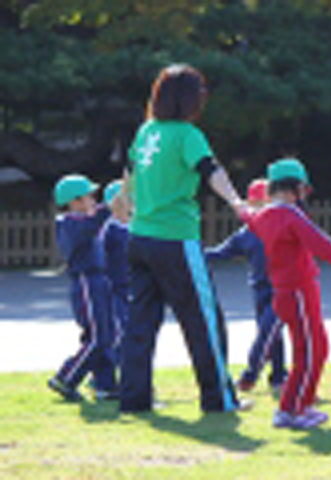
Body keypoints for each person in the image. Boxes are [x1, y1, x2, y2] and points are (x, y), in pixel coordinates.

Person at [119, 63, 249, 413]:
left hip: (139, 238)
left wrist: (124, 204)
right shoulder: (187, 135)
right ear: (191, 99)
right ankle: (218, 399)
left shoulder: (146, 131)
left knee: (140, 322)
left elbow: (128, 175)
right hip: (175, 239)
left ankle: (133, 399)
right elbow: (211, 171)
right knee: (203, 320)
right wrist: (237, 201)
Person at [241, 158, 331, 429]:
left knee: (309, 349)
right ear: (295, 189)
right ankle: (297, 409)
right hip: (299, 291)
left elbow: (249, 219)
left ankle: (293, 406)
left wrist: (239, 207)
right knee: (312, 351)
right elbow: (318, 241)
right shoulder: (291, 215)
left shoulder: (264, 216)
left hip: (285, 292)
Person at [205, 178, 287, 394]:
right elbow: (221, 253)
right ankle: (278, 377)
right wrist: (194, 253)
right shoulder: (246, 234)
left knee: (267, 332)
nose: (259, 210)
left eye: (264, 204)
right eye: (255, 204)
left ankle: (251, 374)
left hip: (281, 289)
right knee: (271, 335)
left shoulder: (283, 228)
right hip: (259, 291)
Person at [47, 174, 117, 402]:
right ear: (74, 201)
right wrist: (110, 207)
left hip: (98, 280)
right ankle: (66, 377)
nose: (94, 200)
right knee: (98, 338)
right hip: (87, 282)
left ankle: (106, 385)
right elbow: (93, 224)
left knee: (107, 335)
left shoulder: (81, 221)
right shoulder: (70, 223)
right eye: (89, 196)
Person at [101, 180, 129, 370]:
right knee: (120, 333)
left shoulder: (136, 226)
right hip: (115, 289)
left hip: (131, 288)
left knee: (131, 332)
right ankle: (106, 376)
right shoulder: (109, 230)